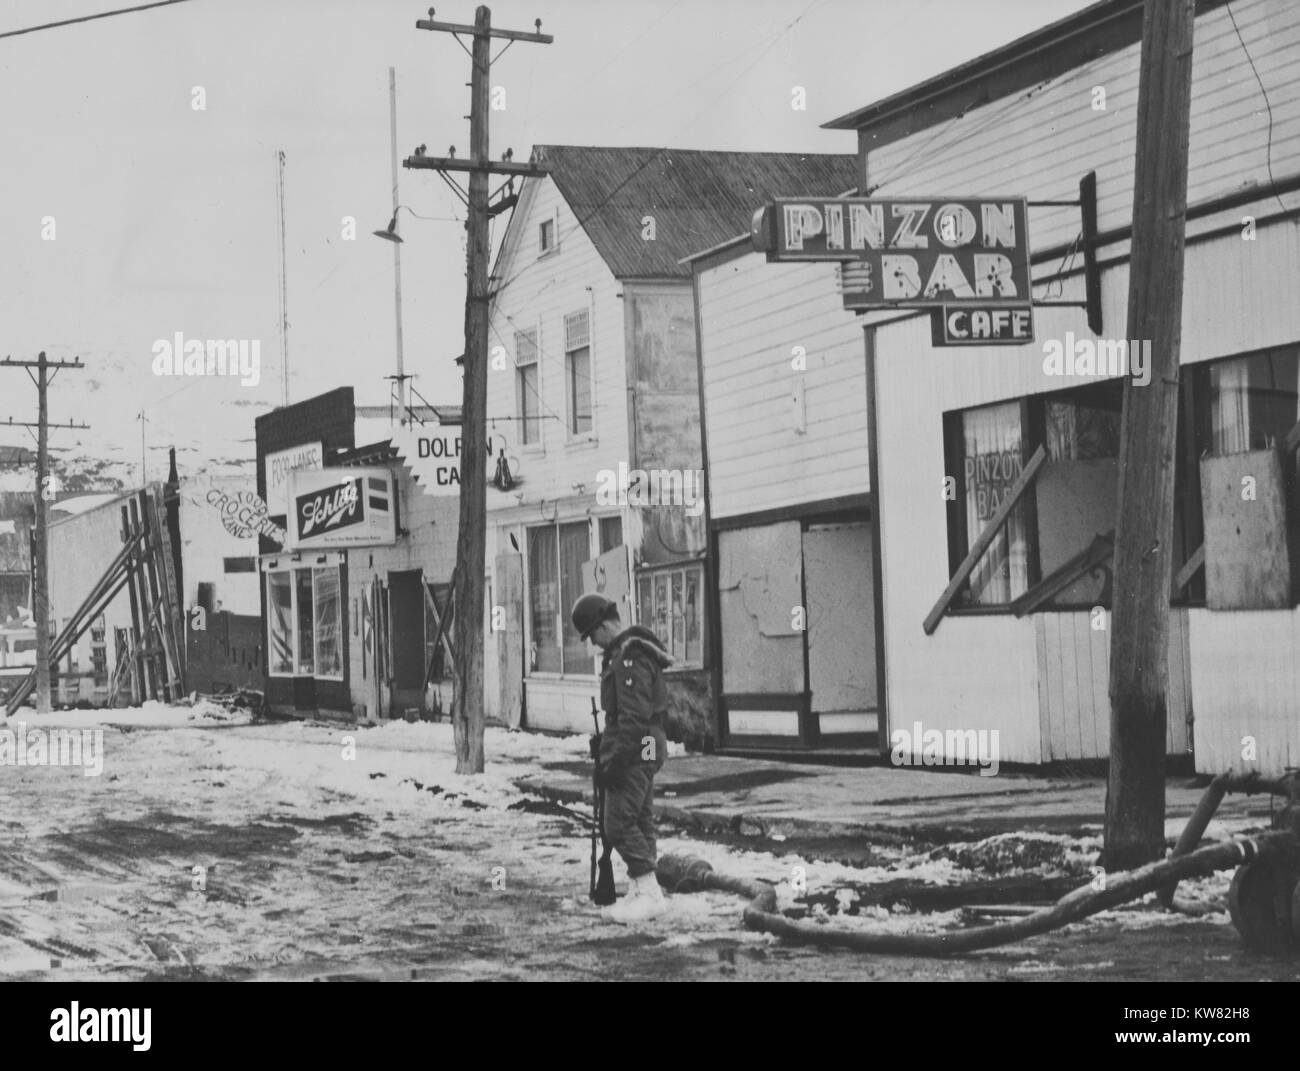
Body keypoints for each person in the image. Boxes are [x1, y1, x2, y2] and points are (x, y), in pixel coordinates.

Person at [571, 593, 671, 923]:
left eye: (591, 635)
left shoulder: (629, 657)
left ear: (602, 626)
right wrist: (606, 745)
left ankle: (649, 892)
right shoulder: (627, 653)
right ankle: (644, 888)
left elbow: (633, 717)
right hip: (644, 743)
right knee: (640, 816)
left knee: (617, 822)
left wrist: (615, 761)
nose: (593, 643)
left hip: (638, 744)